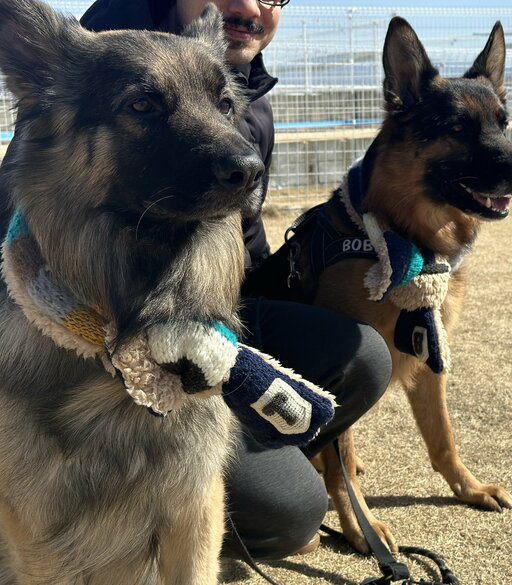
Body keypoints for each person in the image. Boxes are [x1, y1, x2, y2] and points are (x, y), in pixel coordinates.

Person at [80, 0, 392, 560]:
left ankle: (243, 450)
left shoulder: (245, 90)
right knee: (291, 514)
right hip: (104, 341)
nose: (249, 7)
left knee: (361, 356)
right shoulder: (96, 58)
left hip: (214, 327)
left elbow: (245, 246)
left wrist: (318, 248)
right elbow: (27, 223)